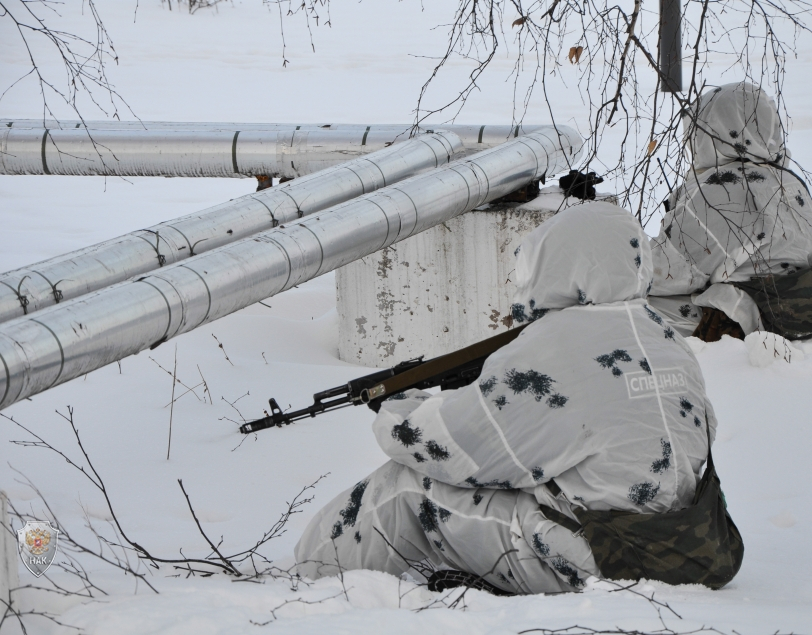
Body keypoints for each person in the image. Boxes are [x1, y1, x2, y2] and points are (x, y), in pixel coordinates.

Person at [295, 201, 728, 594]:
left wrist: (397, 408)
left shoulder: (556, 346)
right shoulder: (668, 338)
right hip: (689, 549)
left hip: (604, 562)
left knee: (406, 486)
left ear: (561, 263)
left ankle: (308, 580)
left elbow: (453, 448)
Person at [648, 82, 812, 340]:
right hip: (795, 312)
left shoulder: (720, 189)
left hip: (743, 322)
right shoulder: (790, 182)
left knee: (628, 308)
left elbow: (668, 271)